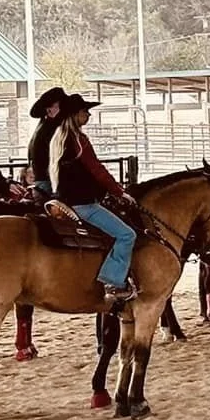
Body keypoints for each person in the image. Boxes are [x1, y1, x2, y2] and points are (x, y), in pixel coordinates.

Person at [33, 93, 136, 306]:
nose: (88, 114)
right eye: (84, 111)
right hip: (84, 204)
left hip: (64, 201)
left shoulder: (58, 138)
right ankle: (113, 281)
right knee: (127, 235)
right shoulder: (79, 140)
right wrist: (119, 191)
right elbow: (97, 170)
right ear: (75, 115)